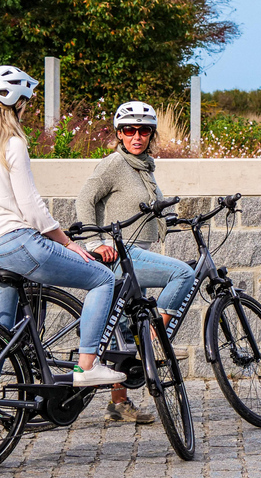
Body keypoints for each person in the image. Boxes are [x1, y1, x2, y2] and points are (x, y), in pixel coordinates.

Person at [0, 65, 126, 458]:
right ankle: (86, 366)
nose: (27, 108)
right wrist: (68, 242)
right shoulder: (13, 144)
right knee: (102, 279)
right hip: (19, 244)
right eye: (26, 102)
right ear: (16, 103)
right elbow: (32, 208)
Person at [76, 101, 195, 424]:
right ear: (119, 134)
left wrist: (182, 221)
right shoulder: (114, 164)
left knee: (121, 334)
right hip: (121, 255)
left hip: (135, 257)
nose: (137, 136)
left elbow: (153, 211)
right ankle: (156, 345)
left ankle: (119, 404)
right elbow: (84, 199)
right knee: (183, 274)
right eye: (130, 130)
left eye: (143, 131)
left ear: (151, 135)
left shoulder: (144, 168)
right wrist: (95, 243)